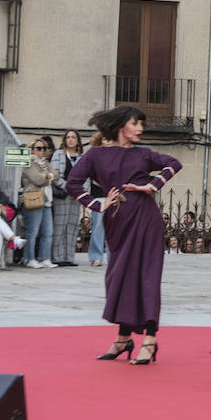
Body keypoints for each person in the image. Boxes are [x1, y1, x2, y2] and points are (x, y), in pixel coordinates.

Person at [65, 106, 181, 365]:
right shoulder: (95, 155)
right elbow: (72, 183)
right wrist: (97, 204)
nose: (140, 128)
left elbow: (174, 164)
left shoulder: (144, 154)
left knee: (147, 277)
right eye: (134, 123)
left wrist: (151, 186)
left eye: (142, 123)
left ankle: (149, 340)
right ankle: (123, 338)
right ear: (120, 126)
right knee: (119, 277)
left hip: (146, 219)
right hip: (117, 220)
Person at [19, 136, 57, 269]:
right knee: (33, 231)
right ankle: (28, 258)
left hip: (47, 199)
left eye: (44, 148)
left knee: (48, 231)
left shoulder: (46, 163)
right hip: (34, 198)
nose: (42, 151)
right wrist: (48, 176)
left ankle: (44, 257)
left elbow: (56, 176)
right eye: (39, 148)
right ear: (32, 150)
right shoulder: (28, 162)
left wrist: (48, 176)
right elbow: (37, 180)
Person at [49, 130, 84, 266]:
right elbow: (55, 175)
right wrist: (69, 188)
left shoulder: (82, 157)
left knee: (72, 226)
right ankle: (57, 257)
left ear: (77, 140)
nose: (70, 140)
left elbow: (86, 176)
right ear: (65, 140)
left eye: (73, 137)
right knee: (60, 226)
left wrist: (81, 192)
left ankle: (69, 257)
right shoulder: (59, 154)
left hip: (76, 196)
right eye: (68, 137)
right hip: (62, 195)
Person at [83, 133, 107, 266]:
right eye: (104, 139)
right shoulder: (93, 158)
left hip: (114, 198)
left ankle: (114, 257)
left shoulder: (118, 157)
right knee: (98, 228)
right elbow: (87, 176)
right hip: (98, 197)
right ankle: (96, 257)